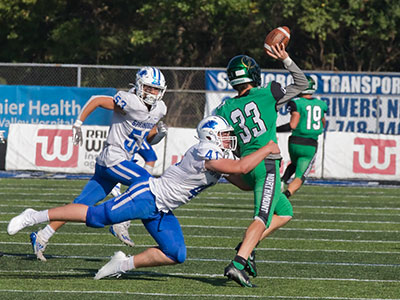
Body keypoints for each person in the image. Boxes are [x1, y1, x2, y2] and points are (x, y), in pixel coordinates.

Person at [8, 115, 281, 281]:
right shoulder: (205, 151)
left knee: (176, 254)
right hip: (148, 196)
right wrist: (268, 147)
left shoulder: (218, 156)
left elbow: (243, 181)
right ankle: (35, 216)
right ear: (210, 136)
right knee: (96, 216)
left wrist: (267, 174)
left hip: (161, 209)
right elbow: (241, 167)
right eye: (224, 135)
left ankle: (122, 264)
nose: (228, 140)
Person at [30, 66, 168, 261]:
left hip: (117, 161)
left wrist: (158, 135)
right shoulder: (129, 101)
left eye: (156, 89)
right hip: (113, 157)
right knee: (145, 182)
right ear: (139, 85)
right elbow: (96, 100)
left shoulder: (160, 109)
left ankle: (42, 235)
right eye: (149, 88)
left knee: (82, 203)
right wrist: (78, 123)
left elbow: (142, 137)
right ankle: (122, 222)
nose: (153, 93)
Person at [214, 43, 308, 287]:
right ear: (253, 74)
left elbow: (225, 143)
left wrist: (241, 156)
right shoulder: (268, 92)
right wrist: (286, 58)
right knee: (262, 217)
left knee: (285, 212)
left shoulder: (224, 108)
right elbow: (302, 84)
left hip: (247, 163)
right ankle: (238, 263)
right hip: (266, 164)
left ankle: (248, 244)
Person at [277, 75, 327, 198]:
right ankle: (286, 195)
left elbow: (292, 125)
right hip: (310, 144)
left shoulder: (296, 102)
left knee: (294, 163)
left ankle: (282, 181)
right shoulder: (321, 104)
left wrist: (276, 129)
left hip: (294, 142)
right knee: (300, 176)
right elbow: (323, 122)